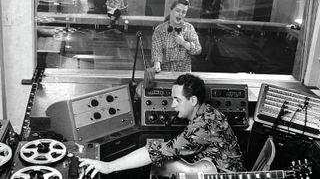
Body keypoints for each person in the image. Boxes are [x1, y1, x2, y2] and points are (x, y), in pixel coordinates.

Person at [79, 73, 245, 178]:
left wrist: (109, 166)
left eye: (177, 100)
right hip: (209, 164)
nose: (172, 105)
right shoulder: (207, 111)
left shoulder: (203, 126)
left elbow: (154, 152)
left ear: (193, 100)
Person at [151, 0, 202, 72]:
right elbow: (156, 52)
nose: (180, 14)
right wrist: (157, 65)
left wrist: (184, 43)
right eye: (178, 10)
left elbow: (198, 49)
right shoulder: (159, 30)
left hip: (184, 75)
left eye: (184, 12)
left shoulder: (189, 28)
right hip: (165, 74)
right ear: (171, 10)